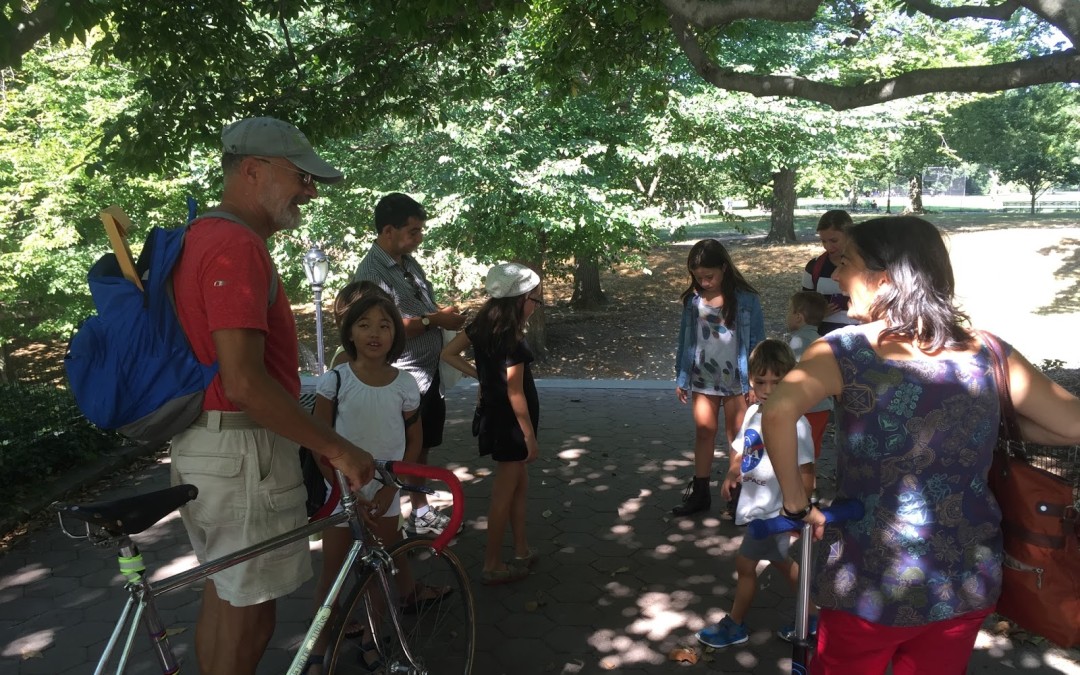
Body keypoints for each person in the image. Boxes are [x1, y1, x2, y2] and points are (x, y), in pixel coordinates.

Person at [761, 216, 1080, 675]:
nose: (836, 276)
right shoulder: (987, 351)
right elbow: (1071, 426)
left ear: (884, 278)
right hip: (964, 578)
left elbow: (777, 412)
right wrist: (974, 422)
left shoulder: (843, 351)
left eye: (845, 261)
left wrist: (795, 503)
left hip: (870, 580)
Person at [169, 116, 375, 675]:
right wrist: (337, 448)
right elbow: (244, 382)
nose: (310, 191)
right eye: (301, 177)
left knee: (227, 597)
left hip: (211, 448)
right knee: (252, 615)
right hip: (244, 454)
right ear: (253, 171)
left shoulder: (200, 235)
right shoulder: (237, 246)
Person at [308, 294, 448, 673]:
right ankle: (319, 648)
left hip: (386, 492)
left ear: (395, 335)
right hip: (341, 493)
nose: (375, 332)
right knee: (333, 576)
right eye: (364, 324)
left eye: (384, 325)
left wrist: (392, 486)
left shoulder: (404, 384)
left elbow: (413, 440)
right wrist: (344, 489)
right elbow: (320, 440)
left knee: (379, 571)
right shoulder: (335, 380)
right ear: (350, 332)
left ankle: (373, 641)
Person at [355, 193, 467, 535]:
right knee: (400, 450)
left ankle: (419, 513)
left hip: (426, 373)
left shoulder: (406, 262)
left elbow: (418, 309)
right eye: (414, 231)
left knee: (423, 445)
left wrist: (440, 317)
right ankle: (390, 520)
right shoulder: (371, 273)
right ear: (388, 230)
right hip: (401, 376)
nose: (420, 238)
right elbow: (381, 327)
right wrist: (436, 322)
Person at [697, 339, 817, 648]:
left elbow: (807, 474)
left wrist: (796, 514)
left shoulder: (797, 424)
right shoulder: (753, 413)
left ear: (790, 380)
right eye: (761, 381)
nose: (767, 388)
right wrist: (731, 474)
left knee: (745, 565)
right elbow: (741, 451)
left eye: (777, 382)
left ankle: (735, 624)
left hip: (774, 514)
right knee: (782, 563)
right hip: (756, 509)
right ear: (751, 379)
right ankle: (814, 613)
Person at [441, 262, 543, 585]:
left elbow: (449, 353)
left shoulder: (482, 325)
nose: (535, 306)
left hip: (496, 416)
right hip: (510, 423)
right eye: (534, 300)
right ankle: (492, 564)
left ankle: (522, 549)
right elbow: (516, 393)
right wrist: (529, 436)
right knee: (503, 492)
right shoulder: (512, 340)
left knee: (519, 484)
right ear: (519, 301)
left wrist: (482, 377)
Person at [673, 238, 765, 517]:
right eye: (698, 277)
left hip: (738, 380)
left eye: (709, 276)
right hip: (703, 378)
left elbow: (757, 342)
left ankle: (737, 493)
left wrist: (755, 381)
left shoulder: (746, 300)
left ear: (724, 267)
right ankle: (700, 493)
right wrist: (681, 376)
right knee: (704, 432)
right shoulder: (693, 301)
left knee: (737, 437)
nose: (704, 282)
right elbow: (685, 340)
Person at [786, 290, 833, 458]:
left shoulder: (798, 341)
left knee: (800, 454)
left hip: (808, 408)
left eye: (789, 311)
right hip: (823, 406)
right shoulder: (822, 340)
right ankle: (809, 484)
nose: (787, 316)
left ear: (798, 316)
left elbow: (795, 375)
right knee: (812, 453)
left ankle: (800, 484)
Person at [802, 210, 858, 335]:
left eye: (834, 241)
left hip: (862, 341)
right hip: (824, 340)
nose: (827, 247)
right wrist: (818, 314)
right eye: (823, 241)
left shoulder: (868, 267)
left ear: (849, 235)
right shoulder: (813, 268)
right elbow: (803, 309)